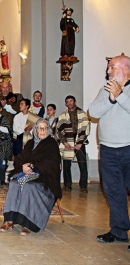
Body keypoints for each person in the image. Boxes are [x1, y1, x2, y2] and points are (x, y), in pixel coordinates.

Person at [88, 55, 130, 247]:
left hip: (129, 148)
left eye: (112, 67)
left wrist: (120, 96)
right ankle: (119, 231)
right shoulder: (105, 90)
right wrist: (111, 99)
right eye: (108, 68)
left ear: (126, 68)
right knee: (114, 192)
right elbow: (93, 112)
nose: (108, 71)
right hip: (108, 150)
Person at [0, 119, 61, 236]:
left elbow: (52, 163)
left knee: (29, 186)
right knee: (14, 183)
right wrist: (23, 166)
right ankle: (10, 219)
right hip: (28, 173)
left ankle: (28, 223)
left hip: (44, 178)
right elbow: (20, 158)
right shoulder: (30, 143)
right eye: (40, 128)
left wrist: (34, 166)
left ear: (48, 130)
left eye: (45, 128)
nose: (42, 130)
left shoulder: (52, 144)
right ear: (35, 130)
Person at [56, 95, 90, 193]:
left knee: (82, 164)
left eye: (71, 101)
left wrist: (80, 143)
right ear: (65, 104)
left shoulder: (82, 114)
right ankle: (67, 185)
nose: (69, 103)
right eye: (67, 101)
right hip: (67, 141)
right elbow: (58, 130)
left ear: (75, 102)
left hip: (79, 141)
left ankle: (83, 185)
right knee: (66, 165)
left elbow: (86, 129)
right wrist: (64, 142)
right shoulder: (62, 115)